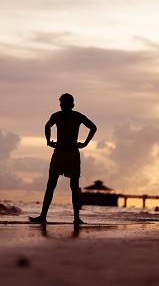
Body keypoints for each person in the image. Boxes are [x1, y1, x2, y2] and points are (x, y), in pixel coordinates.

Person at [29, 93, 97, 225]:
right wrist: (48, 141)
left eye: (65, 105)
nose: (63, 107)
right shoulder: (56, 116)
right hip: (59, 153)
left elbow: (93, 127)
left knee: (74, 187)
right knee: (51, 185)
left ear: (72, 105)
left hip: (72, 154)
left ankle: (76, 218)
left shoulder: (78, 116)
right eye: (61, 104)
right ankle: (43, 216)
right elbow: (47, 126)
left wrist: (85, 143)